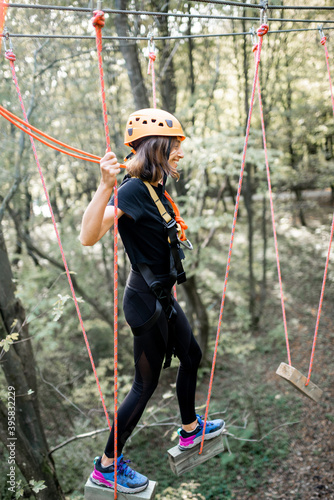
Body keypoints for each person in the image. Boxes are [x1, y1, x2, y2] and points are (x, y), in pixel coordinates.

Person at [80, 108, 225, 494]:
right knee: (144, 386)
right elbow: (88, 236)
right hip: (144, 302)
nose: (180, 152)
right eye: (176, 145)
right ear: (158, 147)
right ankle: (107, 466)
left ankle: (191, 429)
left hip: (160, 296)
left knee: (191, 355)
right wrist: (103, 187)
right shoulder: (129, 190)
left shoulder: (152, 187)